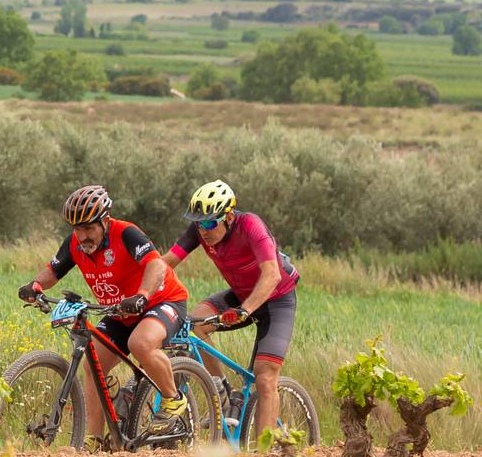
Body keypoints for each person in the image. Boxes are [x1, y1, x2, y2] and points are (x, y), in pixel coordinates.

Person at [18, 185, 190, 440]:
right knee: (92, 364)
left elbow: (156, 264)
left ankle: (173, 399)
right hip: (120, 311)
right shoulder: (75, 243)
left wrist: (142, 295)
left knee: (140, 343)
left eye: (88, 228)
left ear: (105, 221)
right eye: (76, 229)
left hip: (161, 301)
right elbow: (53, 271)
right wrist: (36, 285)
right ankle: (95, 440)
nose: (82, 235)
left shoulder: (126, 233)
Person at [159, 180, 298, 441]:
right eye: (199, 223)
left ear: (230, 216)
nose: (203, 230)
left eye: (210, 223)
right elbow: (167, 263)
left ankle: (263, 456)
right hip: (242, 295)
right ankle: (220, 389)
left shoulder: (251, 226)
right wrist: (141, 286)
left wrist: (245, 310)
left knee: (265, 376)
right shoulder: (200, 231)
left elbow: (271, 275)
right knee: (193, 324)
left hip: (277, 299)